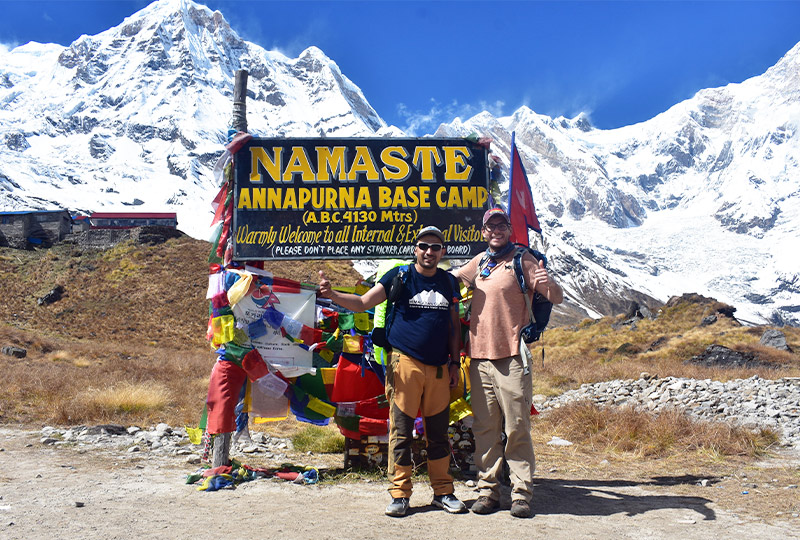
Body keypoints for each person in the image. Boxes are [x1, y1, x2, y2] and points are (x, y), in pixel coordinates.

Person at [318, 226, 466, 517]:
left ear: (442, 252)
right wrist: (332, 294)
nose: (429, 252)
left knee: (437, 433)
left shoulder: (449, 283)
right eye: (423, 245)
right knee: (401, 431)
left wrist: (453, 362)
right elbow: (362, 303)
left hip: (438, 368)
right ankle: (400, 494)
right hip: (404, 364)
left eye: (435, 247)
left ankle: (443, 491)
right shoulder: (399, 277)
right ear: (415, 249)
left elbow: (454, 326)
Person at [452, 207, 563, 519]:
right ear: (484, 231)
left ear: (509, 229)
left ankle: (522, 493)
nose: (496, 230)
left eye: (501, 225)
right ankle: (487, 491)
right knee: (485, 428)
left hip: (512, 356)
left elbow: (557, 297)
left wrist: (547, 282)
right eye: (491, 226)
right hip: (478, 357)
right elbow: (452, 279)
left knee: (516, 427)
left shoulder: (523, 259)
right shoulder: (481, 261)